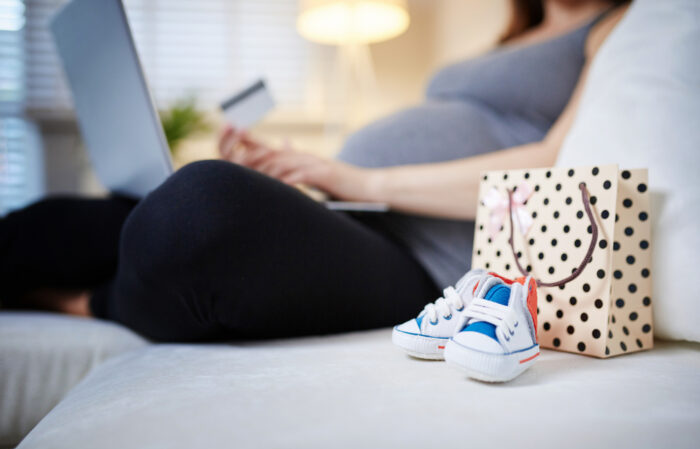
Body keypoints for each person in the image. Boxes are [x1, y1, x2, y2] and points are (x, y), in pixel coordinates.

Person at [0, 0, 628, 341]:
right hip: (358, 216)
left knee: (198, 209)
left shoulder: (616, 26)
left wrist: (357, 179)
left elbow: (555, 164)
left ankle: (88, 302)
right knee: (50, 221)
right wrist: (296, 178)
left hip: (431, 265)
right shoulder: (508, 33)